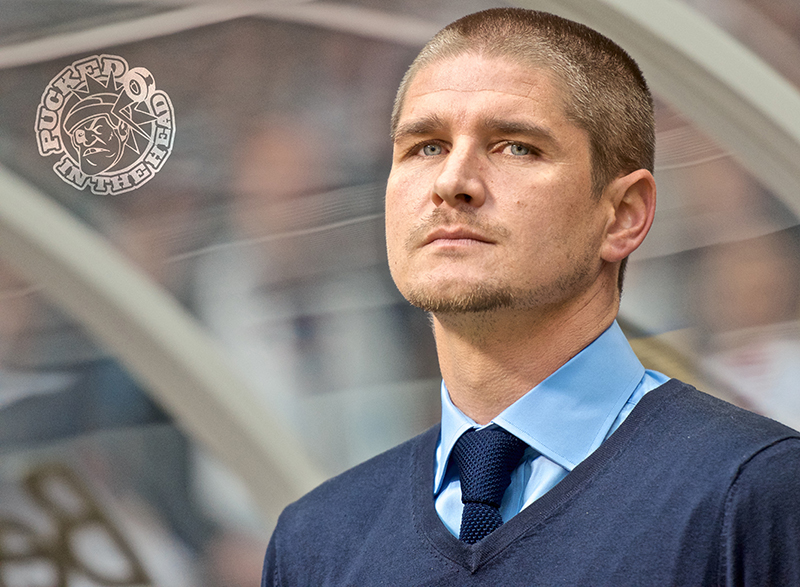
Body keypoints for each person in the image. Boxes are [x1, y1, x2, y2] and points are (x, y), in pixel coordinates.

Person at [262, 8, 800, 585]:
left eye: (515, 146)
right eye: (425, 146)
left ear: (623, 214)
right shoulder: (317, 541)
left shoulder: (754, 494)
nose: (452, 182)